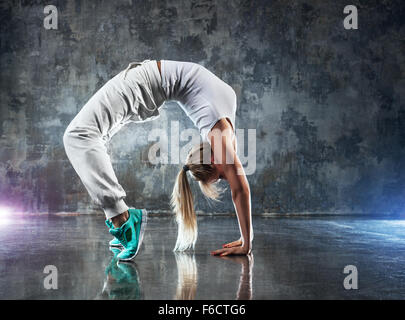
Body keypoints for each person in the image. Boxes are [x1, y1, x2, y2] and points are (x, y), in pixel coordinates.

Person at [63, 59, 253, 262]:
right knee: (79, 135)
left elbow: (237, 184)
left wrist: (245, 238)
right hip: (145, 82)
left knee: (88, 135)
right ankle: (123, 220)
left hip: (148, 83)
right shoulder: (222, 137)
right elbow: (240, 190)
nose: (228, 174)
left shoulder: (221, 131)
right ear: (214, 159)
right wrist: (247, 242)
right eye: (222, 174)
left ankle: (121, 223)